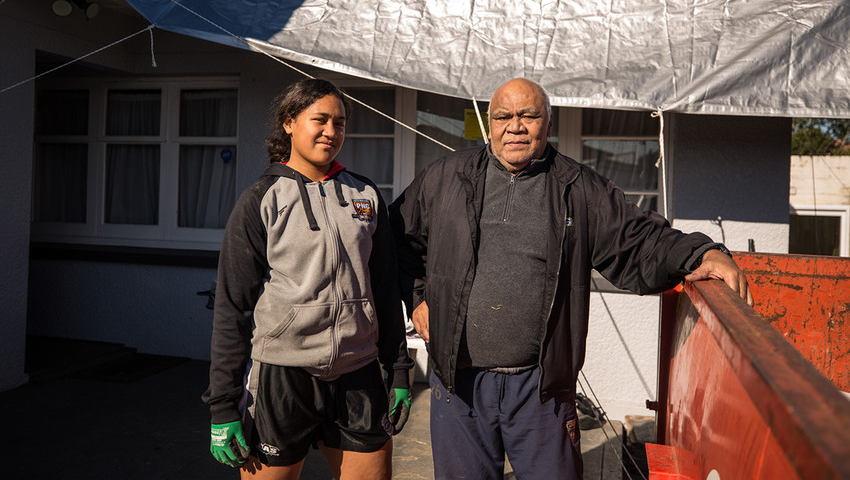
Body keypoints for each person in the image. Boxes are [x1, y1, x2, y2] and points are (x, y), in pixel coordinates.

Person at [389, 77, 752, 480]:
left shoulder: (578, 188)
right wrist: (418, 298)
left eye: (529, 115)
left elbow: (639, 239)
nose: (516, 126)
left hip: (541, 388)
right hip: (457, 382)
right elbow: (398, 241)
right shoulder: (446, 178)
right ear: (488, 124)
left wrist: (700, 253)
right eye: (504, 116)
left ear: (548, 122)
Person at [203, 78, 413, 480]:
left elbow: (384, 289)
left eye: (340, 122)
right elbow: (232, 308)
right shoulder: (261, 200)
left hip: (359, 372)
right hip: (284, 376)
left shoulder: (365, 195)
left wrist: (398, 367)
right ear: (288, 122)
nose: (331, 132)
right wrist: (222, 405)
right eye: (320, 120)